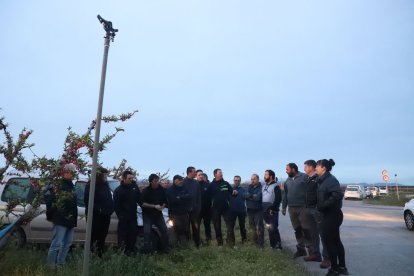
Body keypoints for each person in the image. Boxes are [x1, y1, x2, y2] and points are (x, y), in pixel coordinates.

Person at [316, 159, 348, 276]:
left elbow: (337, 195)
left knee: (330, 242)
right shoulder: (323, 180)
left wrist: (323, 206)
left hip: (332, 214)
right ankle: (342, 268)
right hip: (329, 214)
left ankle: (335, 269)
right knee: (335, 241)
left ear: (323, 168)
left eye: (317, 166)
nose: (315, 168)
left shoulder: (330, 180)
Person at [46, 163, 78, 267]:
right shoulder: (58, 185)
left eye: (73, 172)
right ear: (65, 172)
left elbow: (73, 202)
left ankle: (60, 264)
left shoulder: (71, 185)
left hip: (70, 218)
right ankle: (50, 266)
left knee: (67, 243)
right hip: (60, 218)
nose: (73, 174)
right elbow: (51, 201)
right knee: (56, 244)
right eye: (71, 172)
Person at [302, 160, 330, 267]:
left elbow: (322, 194)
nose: (304, 169)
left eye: (305, 166)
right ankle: (316, 254)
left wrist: (320, 207)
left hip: (317, 210)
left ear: (311, 167)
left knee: (322, 234)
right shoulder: (308, 178)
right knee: (313, 233)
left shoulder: (318, 178)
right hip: (308, 208)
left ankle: (327, 258)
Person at [84, 167, 114, 257]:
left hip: (106, 216)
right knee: (93, 237)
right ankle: (91, 256)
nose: (106, 176)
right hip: (95, 217)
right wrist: (100, 210)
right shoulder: (91, 185)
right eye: (104, 174)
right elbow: (88, 201)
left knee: (102, 237)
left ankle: (99, 255)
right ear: (99, 175)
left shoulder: (105, 185)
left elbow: (109, 198)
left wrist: (111, 209)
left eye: (106, 174)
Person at [281, 163, 308, 258]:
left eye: (287, 169)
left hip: (303, 207)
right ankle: (301, 249)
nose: (286, 171)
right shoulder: (287, 181)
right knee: (297, 229)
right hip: (291, 208)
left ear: (293, 169)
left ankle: (312, 251)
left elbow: (311, 191)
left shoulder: (304, 177)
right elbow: (285, 195)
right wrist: (284, 207)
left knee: (306, 228)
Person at [113, 170, 141, 254]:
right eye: (129, 178)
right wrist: (121, 216)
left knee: (133, 235)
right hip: (124, 218)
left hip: (133, 216)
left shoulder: (134, 187)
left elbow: (139, 198)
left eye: (132, 178)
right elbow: (116, 205)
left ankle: (131, 252)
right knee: (123, 236)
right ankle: (122, 253)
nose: (131, 180)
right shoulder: (119, 190)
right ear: (124, 179)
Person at [207, 168, 237, 247]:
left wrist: (235, 192)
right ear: (215, 174)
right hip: (215, 209)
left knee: (230, 226)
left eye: (221, 172)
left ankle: (232, 244)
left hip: (226, 208)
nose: (221, 173)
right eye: (220, 172)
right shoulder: (211, 185)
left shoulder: (226, 183)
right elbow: (207, 197)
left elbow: (232, 192)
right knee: (217, 227)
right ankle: (220, 244)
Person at [141, 174, 169, 252]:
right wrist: (154, 206)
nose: (157, 182)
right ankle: (147, 251)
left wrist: (162, 207)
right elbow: (142, 203)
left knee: (165, 231)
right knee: (147, 233)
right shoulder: (146, 191)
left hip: (158, 215)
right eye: (155, 181)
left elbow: (165, 201)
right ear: (151, 182)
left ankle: (165, 249)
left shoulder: (162, 190)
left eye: (158, 181)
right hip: (148, 215)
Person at [166, 175, 192, 242]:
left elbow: (189, 196)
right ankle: (179, 243)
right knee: (178, 228)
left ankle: (187, 242)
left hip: (185, 212)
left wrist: (180, 197)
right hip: (175, 213)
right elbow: (173, 200)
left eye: (181, 180)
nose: (181, 181)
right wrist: (182, 198)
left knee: (186, 228)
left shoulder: (184, 188)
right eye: (179, 180)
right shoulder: (170, 190)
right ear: (175, 181)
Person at [262, 169, 282, 250]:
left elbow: (278, 199)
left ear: (271, 176)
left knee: (274, 228)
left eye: (266, 174)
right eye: (264, 174)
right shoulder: (264, 186)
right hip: (264, 211)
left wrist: (272, 208)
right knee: (269, 228)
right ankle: (272, 245)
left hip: (272, 211)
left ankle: (278, 246)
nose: (264, 176)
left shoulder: (276, 186)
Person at [183, 166, 202, 248]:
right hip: (185, 211)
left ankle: (197, 244)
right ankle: (188, 245)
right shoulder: (183, 182)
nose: (195, 173)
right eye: (194, 172)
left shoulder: (196, 183)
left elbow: (198, 197)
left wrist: (198, 208)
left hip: (195, 211)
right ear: (190, 172)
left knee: (196, 228)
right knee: (186, 229)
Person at [245, 174, 264, 248]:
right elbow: (244, 195)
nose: (252, 180)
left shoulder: (261, 187)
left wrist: (249, 196)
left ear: (258, 179)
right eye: (251, 179)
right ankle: (255, 242)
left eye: (254, 179)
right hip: (250, 210)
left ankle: (260, 244)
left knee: (259, 227)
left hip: (258, 210)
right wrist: (252, 196)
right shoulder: (249, 187)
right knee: (252, 227)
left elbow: (258, 197)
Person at [229, 175, 247, 243]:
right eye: (235, 180)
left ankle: (244, 241)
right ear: (233, 181)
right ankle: (232, 242)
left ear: (240, 181)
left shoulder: (243, 190)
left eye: (238, 180)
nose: (237, 181)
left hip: (242, 211)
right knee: (231, 227)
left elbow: (247, 196)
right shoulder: (230, 189)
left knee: (242, 227)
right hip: (232, 211)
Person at [197, 170, 212, 244]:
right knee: (197, 226)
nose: (201, 176)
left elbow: (212, 196)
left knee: (207, 226)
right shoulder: (194, 185)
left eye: (202, 175)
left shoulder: (208, 185)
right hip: (197, 210)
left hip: (207, 209)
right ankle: (197, 240)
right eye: (199, 175)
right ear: (196, 176)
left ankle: (208, 240)